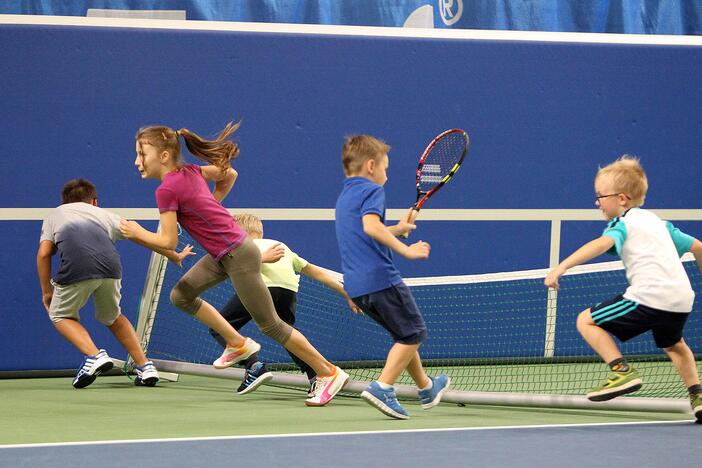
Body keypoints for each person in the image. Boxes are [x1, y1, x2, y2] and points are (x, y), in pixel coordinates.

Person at [120, 121, 349, 406]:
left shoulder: (166, 190)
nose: (137, 161)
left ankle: (328, 372)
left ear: (164, 156)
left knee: (272, 326)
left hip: (238, 254)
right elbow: (230, 174)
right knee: (181, 295)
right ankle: (237, 342)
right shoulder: (191, 172)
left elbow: (167, 241)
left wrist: (134, 232)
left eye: (142, 154)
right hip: (223, 254)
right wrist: (210, 204)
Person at [544, 156, 702, 422]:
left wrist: (561, 267)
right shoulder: (659, 224)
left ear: (622, 199)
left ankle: (621, 372)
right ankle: (697, 395)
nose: (597, 202)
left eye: (600, 196)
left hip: (650, 296)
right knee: (674, 344)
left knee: (586, 321)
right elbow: (698, 247)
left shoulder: (622, 223)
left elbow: (603, 243)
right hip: (681, 299)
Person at [334, 134, 450, 420]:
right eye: (386, 167)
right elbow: (372, 228)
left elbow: (368, 229)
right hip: (381, 279)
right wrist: (407, 251)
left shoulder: (346, 195)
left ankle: (426, 387)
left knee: (403, 334)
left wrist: (398, 228)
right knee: (414, 333)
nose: (387, 173)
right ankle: (383, 387)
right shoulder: (373, 190)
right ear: (371, 166)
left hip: (357, 285)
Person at [37, 178, 185, 388]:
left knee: (60, 314)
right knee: (113, 316)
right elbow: (141, 238)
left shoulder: (56, 213)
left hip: (77, 267)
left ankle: (94, 355)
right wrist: (174, 255)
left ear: (65, 201)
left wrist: (46, 292)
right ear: (94, 201)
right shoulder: (106, 215)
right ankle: (145, 366)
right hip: (111, 267)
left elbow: (44, 254)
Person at [209, 213, 361, 395]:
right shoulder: (281, 246)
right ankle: (315, 377)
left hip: (260, 289)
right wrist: (346, 293)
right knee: (287, 335)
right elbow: (316, 272)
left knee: (219, 326)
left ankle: (254, 365)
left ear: (236, 231)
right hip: (287, 292)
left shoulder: (241, 247)